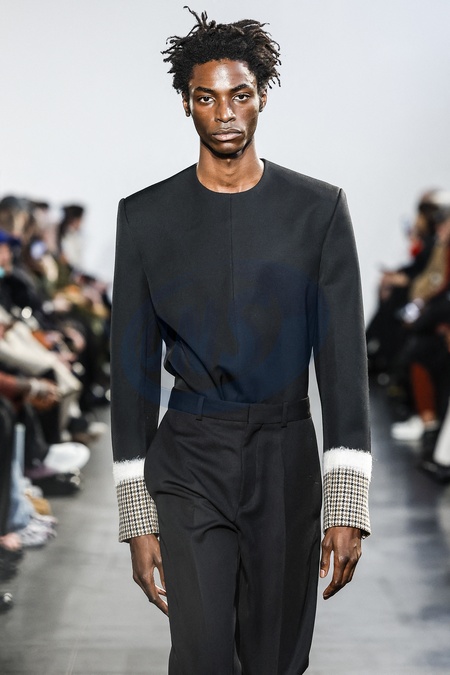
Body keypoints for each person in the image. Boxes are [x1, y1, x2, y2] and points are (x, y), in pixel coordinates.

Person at [110, 9, 371, 674]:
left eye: (240, 94)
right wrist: (138, 517)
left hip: (285, 455)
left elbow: (343, 362)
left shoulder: (318, 210)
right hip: (190, 456)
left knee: (276, 658)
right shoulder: (145, 217)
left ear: (262, 97)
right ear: (186, 103)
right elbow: (130, 373)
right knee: (200, 656)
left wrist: (348, 502)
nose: (225, 113)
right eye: (206, 97)